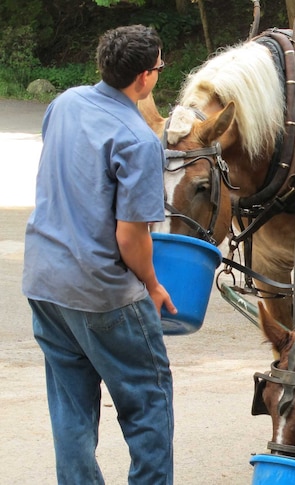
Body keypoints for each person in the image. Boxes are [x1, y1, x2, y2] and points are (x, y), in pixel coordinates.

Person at [22, 25, 178, 484]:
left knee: (70, 407)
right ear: (145, 78)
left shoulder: (64, 103)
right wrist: (152, 285)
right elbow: (130, 238)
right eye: (159, 68)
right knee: (148, 403)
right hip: (102, 293)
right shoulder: (138, 139)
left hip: (45, 282)